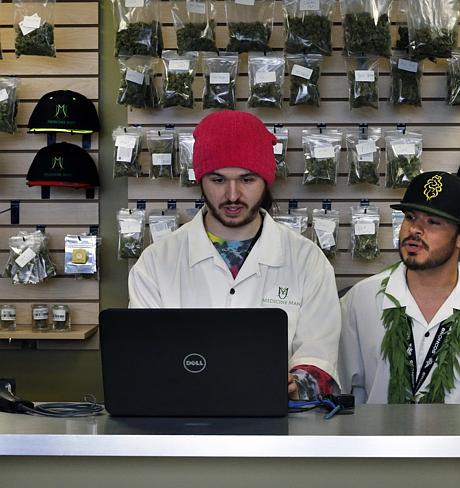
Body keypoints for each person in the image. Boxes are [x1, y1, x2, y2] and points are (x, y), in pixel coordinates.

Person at [128, 110, 341, 400]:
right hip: (181, 426)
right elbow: (142, 357)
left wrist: (297, 382)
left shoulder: (307, 261)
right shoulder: (156, 263)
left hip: (277, 429)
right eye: (217, 180)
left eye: (247, 179)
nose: (232, 195)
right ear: (200, 180)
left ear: (266, 180)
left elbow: (320, 353)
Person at [339, 171, 460, 404]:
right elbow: (338, 387)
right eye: (410, 217)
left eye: (433, 222)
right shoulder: (360, 300)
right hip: (375, 439)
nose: (415, 230)